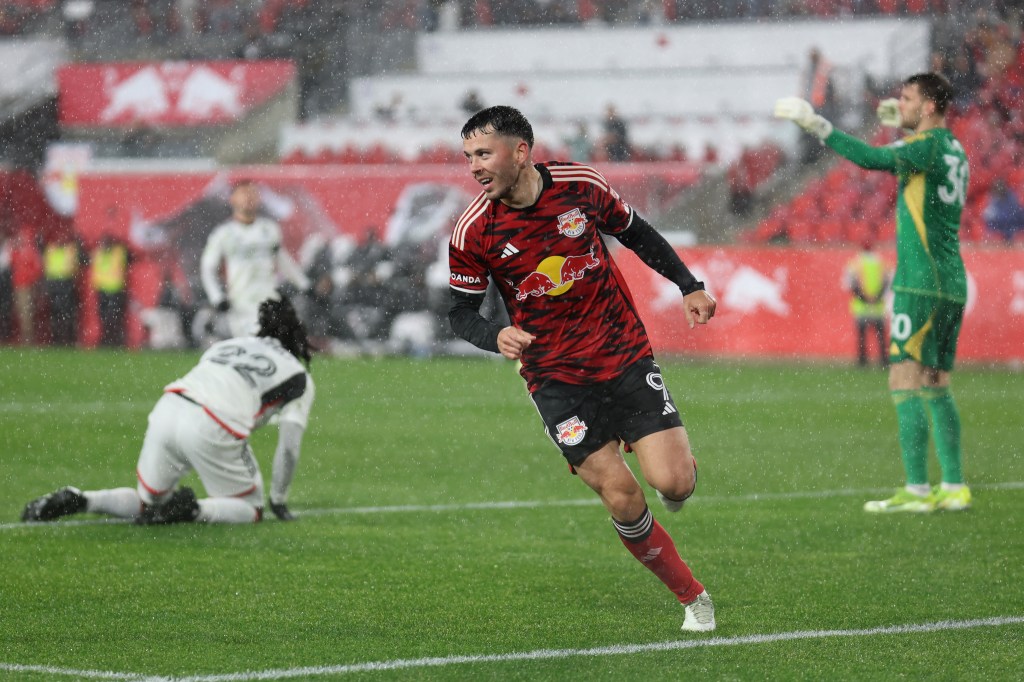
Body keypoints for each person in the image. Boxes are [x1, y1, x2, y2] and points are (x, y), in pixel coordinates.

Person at [448, 105, 718, 632]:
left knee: (675, 485)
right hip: (554, 378)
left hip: (622, 354)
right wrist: (494, 334)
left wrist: (689, 284)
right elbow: (460, 311)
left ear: (520, 151)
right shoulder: (473, 229)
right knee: (621, 494)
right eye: (468, 157)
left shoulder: (580, 185)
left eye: (483, 153)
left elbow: (638, 234)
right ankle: (693, 597)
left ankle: (673, 468)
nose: (474, 167)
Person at [775, 72, 972, 513]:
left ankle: (918, 490)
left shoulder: (925, 147)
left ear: (928, 107)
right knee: (937, 383)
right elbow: (922, 153)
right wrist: (902, 124)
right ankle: (955, 487)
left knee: (903, 376)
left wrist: (817, 125)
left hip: (919, 279)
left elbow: (869, 157)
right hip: (952, 282)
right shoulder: (954, 148)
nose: (898, 103)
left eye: (906, 99)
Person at [22, 296, 315, 525]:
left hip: (170, 405)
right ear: (297, 338)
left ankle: (83, 499)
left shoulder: (231, 344)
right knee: (250, 509)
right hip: (214, 421)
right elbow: (289, 447)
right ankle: (193, 510)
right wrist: (279, 498)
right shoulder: (298, 376)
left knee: (147, 502)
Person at [201, 180, 310, 338]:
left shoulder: (269, 229)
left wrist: (305, 285)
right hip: (240, 304)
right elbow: (208, 269)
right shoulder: (223, 234)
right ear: (232, 199)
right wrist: (217, 297)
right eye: (244, 194)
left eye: (253, 194)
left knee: (271, 350)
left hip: (269, 301)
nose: (249, 198)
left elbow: (282, 260)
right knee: (248, 350)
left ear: (259, 199)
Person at [844, 240, 891, 368]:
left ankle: (863, 361)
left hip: (861, 307)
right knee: (881, 337)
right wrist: (877, 297)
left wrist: (864, 297)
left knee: (862, 337)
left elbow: (849, 284)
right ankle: (884, 361)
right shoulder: (881, 263)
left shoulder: (855, 264)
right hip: (878, 306)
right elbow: (888, 282)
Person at [90, 233, 131, 347]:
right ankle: (106, 339)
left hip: (116, 290)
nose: (105, 245)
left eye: (107, 243)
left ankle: (115, 340)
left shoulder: (118, 253)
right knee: (104, 317)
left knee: (114, 317)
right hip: (102, 290)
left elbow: (129, 255)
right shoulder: (98, 253)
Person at [42, 233, 84, 346]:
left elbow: (78, 263)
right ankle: (58, 338)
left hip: (66, 283)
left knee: (67, 313)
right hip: (56, 285)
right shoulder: (52, 249)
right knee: (57, 313)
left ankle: (69, 338)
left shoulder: (69, 249)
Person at [10, 228, 41, 345]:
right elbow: (12, 262)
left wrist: (30, 280)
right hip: (18, 285)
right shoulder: (19, 251)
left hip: (26, 286)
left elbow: (36, 269)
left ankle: (28, 337)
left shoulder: (30, 252)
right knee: (21, 311)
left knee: (26, 312)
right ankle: (25, 336)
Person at [982, 178, 1024, 243]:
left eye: (1000, 187)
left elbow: (1014, 212)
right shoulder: (993, 198)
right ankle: (991, 241)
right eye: (997, 187)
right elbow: (988, 213)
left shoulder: (1011, 197)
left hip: (1011, 221)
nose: (999, 189)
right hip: (999, 222)